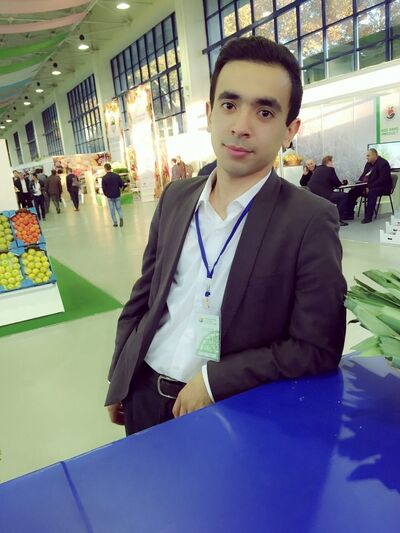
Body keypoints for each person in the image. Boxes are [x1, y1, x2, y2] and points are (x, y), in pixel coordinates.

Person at [105, 36, 346, 436]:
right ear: (209, 112)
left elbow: (317, 346)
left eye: (264, 112)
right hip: (143, 394)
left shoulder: (309, 219)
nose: (240, 127)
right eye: (229, 105)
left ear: (290, 129)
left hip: (229, 410)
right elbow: (143, 297)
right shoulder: (176, 198)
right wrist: (121, 374)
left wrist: (216, 379)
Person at [343, 148, 392, 224]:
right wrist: (357, 185)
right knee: (353, 192)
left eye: (368, 156)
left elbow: (382, 180)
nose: (367, 157)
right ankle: (349, 214)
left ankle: (368, 217)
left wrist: (369, 187)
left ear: (375, 155)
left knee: (372, 192)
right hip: (369, 185)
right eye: (367, 156)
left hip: (383, 186)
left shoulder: (383, 164)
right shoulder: (368, 163)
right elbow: (364, 175)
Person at [307, 156, 349, 226]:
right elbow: (337, 183)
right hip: (324, 195)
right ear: (328, 162)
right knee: (344, 196)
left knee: (338, 196)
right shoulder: (330, 169)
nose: (332, 164)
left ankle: (331, 217)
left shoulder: (318, 169)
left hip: (313, 196)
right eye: (332, 162)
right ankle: (338, 220)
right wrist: (342, 183)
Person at [101, 163, 124, 227]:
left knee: (112, 210)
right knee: (119, 208)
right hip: (117, 194)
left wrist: (106, 194)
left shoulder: (104, 178)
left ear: (105, 169)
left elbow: (103, 188)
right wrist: (120, 190)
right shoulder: (116, 176)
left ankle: (115, 223)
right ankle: (121, 217)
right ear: (110, 168)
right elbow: (122, 184)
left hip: (110, 196)